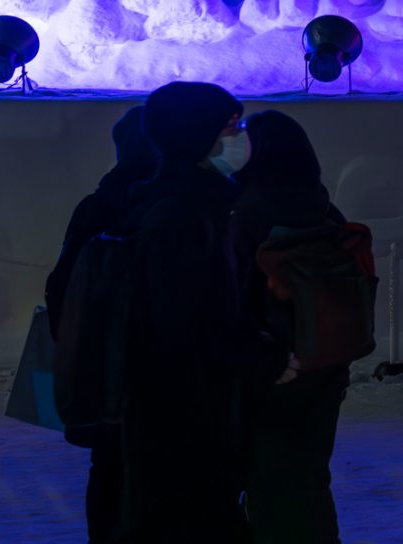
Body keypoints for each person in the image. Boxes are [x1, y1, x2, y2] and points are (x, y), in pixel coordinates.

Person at [118, 80, 285, 542]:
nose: (241, 135)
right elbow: (196, 318)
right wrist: (265, 358)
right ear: (198, 137)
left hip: (183, 405)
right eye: (231, 126)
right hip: (182, 410)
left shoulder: (188, 204)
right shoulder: (183, 215)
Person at [230, 110, 353, 544]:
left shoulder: (247, 209)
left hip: (271, 366)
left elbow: (236, 292)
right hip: (324, 362)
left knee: (267, 486)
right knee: (309, 480)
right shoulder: (323, 207)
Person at [44, 105, 154, 544]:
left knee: (108, 474)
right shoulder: (170, 205)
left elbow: (61, 288)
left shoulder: (97, 205)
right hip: (158, 375)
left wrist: (77, 350)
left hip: (103, 376)